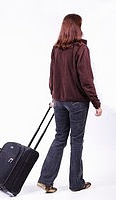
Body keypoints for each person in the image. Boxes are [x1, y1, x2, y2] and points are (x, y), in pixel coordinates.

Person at [37, 14, 102, 193]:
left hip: (59, 100)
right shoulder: (81, 48)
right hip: (77, 103)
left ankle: (45, 180)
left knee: (59, 138)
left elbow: (52, 77)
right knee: (76, 141)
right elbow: (86, 80)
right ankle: (76, 183)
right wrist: (96, 103)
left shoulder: (56, 48)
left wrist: (54, 96)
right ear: (77, 28)